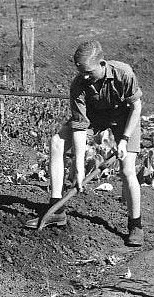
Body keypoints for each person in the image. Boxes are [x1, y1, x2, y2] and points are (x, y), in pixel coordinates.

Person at [26, 40, 144, 247]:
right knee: (56, 142)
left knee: (127, 171)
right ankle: (56, 208)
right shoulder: (79, 84)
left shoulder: (123, 73)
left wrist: (124, 140)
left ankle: (135, 225)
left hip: (125, 119)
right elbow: (80, 127)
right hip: (94, 119)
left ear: (102, 63)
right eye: (81, 72)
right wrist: (78, 168)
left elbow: (136, 107)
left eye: (89, 72)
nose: (85, 77)